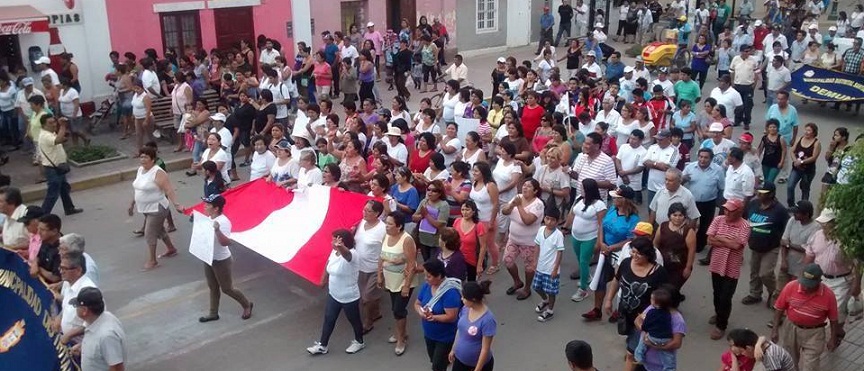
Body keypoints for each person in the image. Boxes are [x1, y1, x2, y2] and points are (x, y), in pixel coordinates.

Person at [604, 236, 669, 369]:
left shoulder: (659, 273)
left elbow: (664, 297)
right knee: (630, 340)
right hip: (625, 313)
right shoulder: (626, 263)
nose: (634, 255)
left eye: (639, 253)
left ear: (648, 255)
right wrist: (609, 300)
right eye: (633, 251)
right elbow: (616, 280)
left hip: (643, 320)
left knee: (631, 353)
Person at [307, 229, 366, 355]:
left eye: (334, 240)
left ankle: (359, 341)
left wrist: (341, 247)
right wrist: (323, 280)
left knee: (354, 320)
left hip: (349, 297)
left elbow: (347, 255)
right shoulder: (334, 252)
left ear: (342, 242)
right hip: (333, 294)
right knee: (329, 318)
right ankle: (323, 345)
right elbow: (328, 264)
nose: (331, 242)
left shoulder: (352, 254)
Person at [196, 194, 253, 323]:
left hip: (221, 260)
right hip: (209, 257)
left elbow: (226, 242)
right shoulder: (209, 218)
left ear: (216, 208)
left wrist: (217, 231)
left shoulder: (223, 222)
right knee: (213, 287)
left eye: (208, 205)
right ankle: (213, 313)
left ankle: (247, 305)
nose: (205, 206)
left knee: (227, 288)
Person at [803, 208, 860, 337]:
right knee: (818, 308)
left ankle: (835, 333)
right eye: (822, 223)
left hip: (841, 282)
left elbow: (857, 264)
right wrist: (805, 274)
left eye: (826, 223)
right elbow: (809, 255)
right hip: (821, 279)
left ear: (836, 222)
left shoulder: (847, 240)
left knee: (837, 312)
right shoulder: (817, 236)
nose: (823, 225)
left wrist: (856, 285)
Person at [771, 263, 840, 371]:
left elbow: (833, 319)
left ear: (819, 281)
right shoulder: (791, 287)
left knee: (810, 367)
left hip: (814, 333)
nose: (806, 287)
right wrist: (775, 329)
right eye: (804, 283)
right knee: (789, 362)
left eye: (810, 285)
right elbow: (779, 308)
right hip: (791, 329)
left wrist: (833, 338)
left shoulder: (829, 295)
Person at [129, 146, 181, 271]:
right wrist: (132, 204)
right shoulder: (140, 170)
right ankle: (171, 249)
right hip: (145, 208)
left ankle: (153, 261)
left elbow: (168, 189)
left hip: (157, 208)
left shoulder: (158, 172)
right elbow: (138, 189)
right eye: (141, 157)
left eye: (146, 157)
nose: (142, 159)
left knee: (149, 233)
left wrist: (176, 204)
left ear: (152, 159)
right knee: (159, 229)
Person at [707, 198, 751, 340]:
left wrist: (720, 238)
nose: (727, 212)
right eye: (725, 209)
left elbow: (737, 246)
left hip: (731, 268)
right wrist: (728, 241)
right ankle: (719, 313)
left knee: (726, 297)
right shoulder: (718, 220)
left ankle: (721, 325)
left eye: (730, 210)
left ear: (739, 211)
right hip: (717, 264)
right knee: (716, 293)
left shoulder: (745, 225)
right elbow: (710, 240)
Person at [379, 212, 420, 355]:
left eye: (390, 224)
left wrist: (406, 286)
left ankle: (401, 339)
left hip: (403, 281)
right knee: (394, 308)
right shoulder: (386, 236)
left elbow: (411, 264)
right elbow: (381, 257)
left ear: (399, 226)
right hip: (390, 280)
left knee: (398, 310)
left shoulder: (407, 240)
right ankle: (401, 332)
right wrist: (380, 275)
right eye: (386, 223)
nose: (387, 226)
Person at [740, 183, 787, 308]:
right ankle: (755, 294)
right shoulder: (753, 204)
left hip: (771, 247)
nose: (759, 195)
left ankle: (775, 294)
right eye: (759, 192)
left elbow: (786, 228)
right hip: (754, 245)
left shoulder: (780, 210)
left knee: (765, 273)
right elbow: (746, 220)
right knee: (754, 272)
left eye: (763, 193)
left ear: (771, 194)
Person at [414, 259, 462, 371]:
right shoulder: (427, 286)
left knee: (437, 366)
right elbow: (417, 303)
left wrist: (434, 317)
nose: (426, 279)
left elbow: (451, 316)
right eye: (425, 275)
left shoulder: (450, 293)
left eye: (429, 276)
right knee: (434, 360)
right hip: (429, 334)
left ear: (439, 276)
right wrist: (421, 312)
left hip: (445, 337)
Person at [565, 179, 607, 302]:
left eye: (583, 188)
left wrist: (599, 242)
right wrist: (565, 228)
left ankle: (583, 290)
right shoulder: (579, 199)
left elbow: (601, 225)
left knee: (584, 261)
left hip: (589, 238)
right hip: (576, 236)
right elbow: (572, 214)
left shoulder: (599, 205)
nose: (581, 189)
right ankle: (587, 277)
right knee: (579, 258)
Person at [69, 287, 126, 371]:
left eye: (76, 306)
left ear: (85, 310)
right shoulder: (101, 318)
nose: (76, 308)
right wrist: (84, 348)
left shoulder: (107, 336)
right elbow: (100, 347)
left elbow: (117, 367)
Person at [38, 115, 82, 216]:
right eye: (50, 123)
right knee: (53, 193)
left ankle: (69, 208)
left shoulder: (50, 133)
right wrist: (62, 126)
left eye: (54, 122)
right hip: (52, 168)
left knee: (64, 189)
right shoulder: (45, 136)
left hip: (58, 167)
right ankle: (43, 214)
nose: (54, 125)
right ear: (44, 125)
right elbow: (58, 140)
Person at [682, 148, 724, 254]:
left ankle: (699, 245)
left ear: (711, 159)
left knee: (705, 225)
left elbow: (721, 187)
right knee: (689, 224)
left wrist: (719, 202)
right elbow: (680, 182)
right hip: (692, 202)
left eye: (706, 157)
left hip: (709, 202)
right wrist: (683, 179)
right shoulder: (690, 167)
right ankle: (685, 243)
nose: (702, 160)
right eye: (700, 157)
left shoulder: (718, 170)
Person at [353, 200, 386, 334]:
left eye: (368, 211)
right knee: (365, 294)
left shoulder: (383, 229)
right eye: (364, 210)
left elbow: (386, 251)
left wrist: (380, 273)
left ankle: (368, 322)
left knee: (367, 297)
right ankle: (376, 312)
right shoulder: (361, 223)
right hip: (360, 267)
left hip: (374, 269)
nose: (364, 213)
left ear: (377, 213)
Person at [449, 280, 496, 371]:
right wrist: (453, 349)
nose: (461, 299)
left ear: (473, 299)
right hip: (460, 361)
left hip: (478, 365)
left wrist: (477, 369)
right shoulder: (465, 309)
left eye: (464, 297)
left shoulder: (488, 320)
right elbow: (460, 330)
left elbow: (485, 349)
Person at [54, 251, 96, 346]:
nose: (61, 271)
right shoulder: (68, 284)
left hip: (83, 345)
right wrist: (60, 317)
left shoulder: (88, 291)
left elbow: (95, 322)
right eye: (60, 268)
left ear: (78, 270)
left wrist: (69, 335)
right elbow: (67, 306)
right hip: (70, 344)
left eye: (65, 269)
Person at [531, 204, 565, 322]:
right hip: (540, 267)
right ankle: (544, 300)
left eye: (553, 220)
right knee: (536, 286)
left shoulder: (558, 235)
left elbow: (560, 253)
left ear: (557, 221)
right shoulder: (541, 230)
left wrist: (555, 269)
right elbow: (537, 245)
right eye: (547, 218)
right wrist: (534, 260)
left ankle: (550, 310)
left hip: (551, 269)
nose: (549, 222)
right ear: (544, 218)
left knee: (551, 291)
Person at [653, 203, 696, 292]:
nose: (677, 218)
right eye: (675, 215)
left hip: (678, 267)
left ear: (684, 216)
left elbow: (692, 251)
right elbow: (655, 244)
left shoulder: (688, 231)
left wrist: (688, 268)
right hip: (662, 264)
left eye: (680, 215)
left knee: (672, 290)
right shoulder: (663, 226)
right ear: (669, 215)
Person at [470, 162, 501, 274]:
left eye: (476, 171)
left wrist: (492, 222)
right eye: (473, 170)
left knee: (489, 243)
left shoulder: (490, 185)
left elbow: (496, 204)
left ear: (483, 172)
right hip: (475, 219)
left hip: (487, 219)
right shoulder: (474, 183)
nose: (474, 173)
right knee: (478, 243)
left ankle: (495, 263)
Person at [633, 287, 676, 369]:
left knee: (643, 341)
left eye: (652, 299)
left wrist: (644, 328)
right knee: (667, 354)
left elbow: (646, 325)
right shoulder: (668, 314)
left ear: (656, 303)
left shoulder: (651, 312)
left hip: (653, 337)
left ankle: (639, 356)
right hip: (666, 339)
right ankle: (670, 367)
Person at [722, 328, 796, 371]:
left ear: (749, 348)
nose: (743, 355)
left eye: (742, 352)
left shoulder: (770, 357)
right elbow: (762, 338)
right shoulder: (763, 345)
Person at [413, 180, 450, 261]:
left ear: (440, 193)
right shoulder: (424, 202)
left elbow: (439, 225)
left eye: (434, 191)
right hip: (423, 238)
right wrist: (421, 216)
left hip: (436, 242)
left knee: (434, 263)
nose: (430, 193)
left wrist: (426, 215)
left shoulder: (444, 205)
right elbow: (414, 217)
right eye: (428, 189)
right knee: (426, 261)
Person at [787, 123, 821, 207]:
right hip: (796, 169)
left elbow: (814, 157)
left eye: (809, 130)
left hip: (808, 170)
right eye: (805, 130)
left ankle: (804, 207)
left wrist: (802, 162)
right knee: (790, 186)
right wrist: (795, 160)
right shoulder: (799, 139)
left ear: (814, 132)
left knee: (805, 189)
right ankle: (791, 205)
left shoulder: (816, 143)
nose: (806, 132)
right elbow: (792, 151)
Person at [0, 186, 28, 253]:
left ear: (12, 203)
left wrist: (9, 248)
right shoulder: (7, 215)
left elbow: (35, 242)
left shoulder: (27, 216)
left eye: (0, 201)